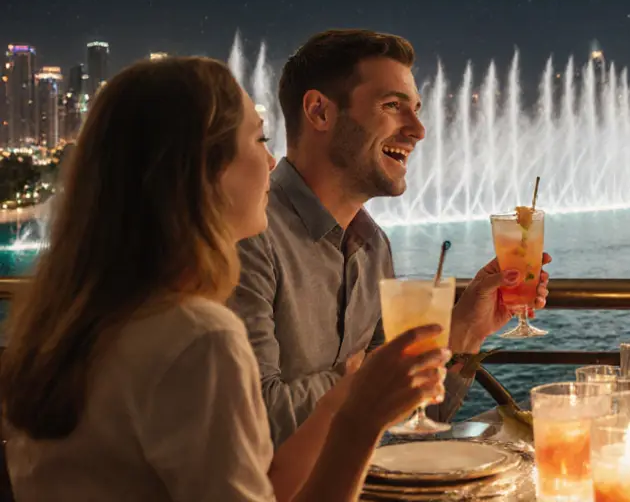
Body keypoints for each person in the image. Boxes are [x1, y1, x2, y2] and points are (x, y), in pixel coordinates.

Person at [1, 57, 450, 502]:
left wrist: (350, 398)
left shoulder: (64, 326)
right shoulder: (198, 338)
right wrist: (355, 417)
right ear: (204, 171)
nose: (273, 161)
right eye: (259, 139)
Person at [230, 29, 552, 446]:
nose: (418, 130)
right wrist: (375, 375)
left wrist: (465, 332)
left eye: (416, 110)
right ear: (319, 112)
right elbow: (252, 421)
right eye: (392, 106)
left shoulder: (372, 244)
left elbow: (407, 421)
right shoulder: (249, 236)